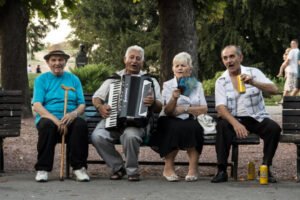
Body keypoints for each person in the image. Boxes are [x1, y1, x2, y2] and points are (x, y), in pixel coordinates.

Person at [90, 45, 162, 181]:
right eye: (131, 58)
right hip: (113, 121)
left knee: (130, 136)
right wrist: (100, 106)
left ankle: (132, 171)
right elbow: (96, 97)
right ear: (125, 59)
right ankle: (118, 167)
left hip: (138, 124)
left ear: (142, 62)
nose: (134, 61)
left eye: (138, 59)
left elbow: (159, 106)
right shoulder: (113, 79)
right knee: (97, 136)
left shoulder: (150, 81)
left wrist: (152, 102)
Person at [211, 45, 281, 183]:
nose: (229, 61)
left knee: (274, 128)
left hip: (255, 117)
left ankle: (265, 168)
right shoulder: (221, 80)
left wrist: (253, 82)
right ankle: (222, 170)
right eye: (225, 58)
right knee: (222, 126)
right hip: (233, 118)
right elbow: (220, 107)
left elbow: (274, 89)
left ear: (240, 57)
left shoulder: (253, 72)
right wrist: (236, 124)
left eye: (232, 56)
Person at [32, 50, 90, 182]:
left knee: (80, 125)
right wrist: (56, 121)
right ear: (48, 62)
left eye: (60, 60)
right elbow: (37, 105)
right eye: (53, 60)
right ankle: (43, 169)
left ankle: (79, 168)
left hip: (70, 117)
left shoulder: (73, 79)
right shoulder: (41, 79)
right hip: (49, 117)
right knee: (46, 126)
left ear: (65, 62)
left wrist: (73, 114)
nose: (57, 63)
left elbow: (81, 104)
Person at [150, 52, 207, 182]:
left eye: (183, 65)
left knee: (194, 128)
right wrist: (173, 99)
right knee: (172, 127)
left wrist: (185, 109)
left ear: (190, 68)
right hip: (170, 118)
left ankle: (193, 168)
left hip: (190, 117)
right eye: (177, 65)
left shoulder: (197, 85)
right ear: (173, 68)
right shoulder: (168, 85)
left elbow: (204, 109)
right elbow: (168, 111)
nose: (179, 68)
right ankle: (168, 167)